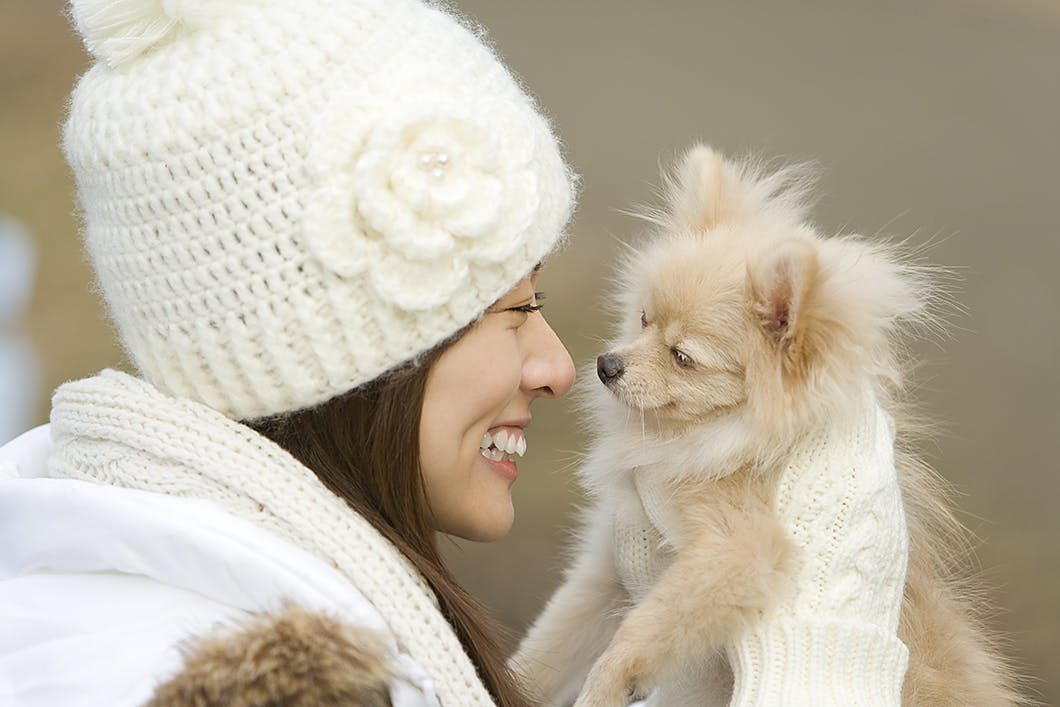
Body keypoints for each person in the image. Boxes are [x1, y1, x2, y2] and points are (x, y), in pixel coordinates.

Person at [0, 1, 908, 705]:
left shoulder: (117, 597)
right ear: (355, 361)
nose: (561, 364)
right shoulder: (265, 681)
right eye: (512, 312)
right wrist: (825, 651)